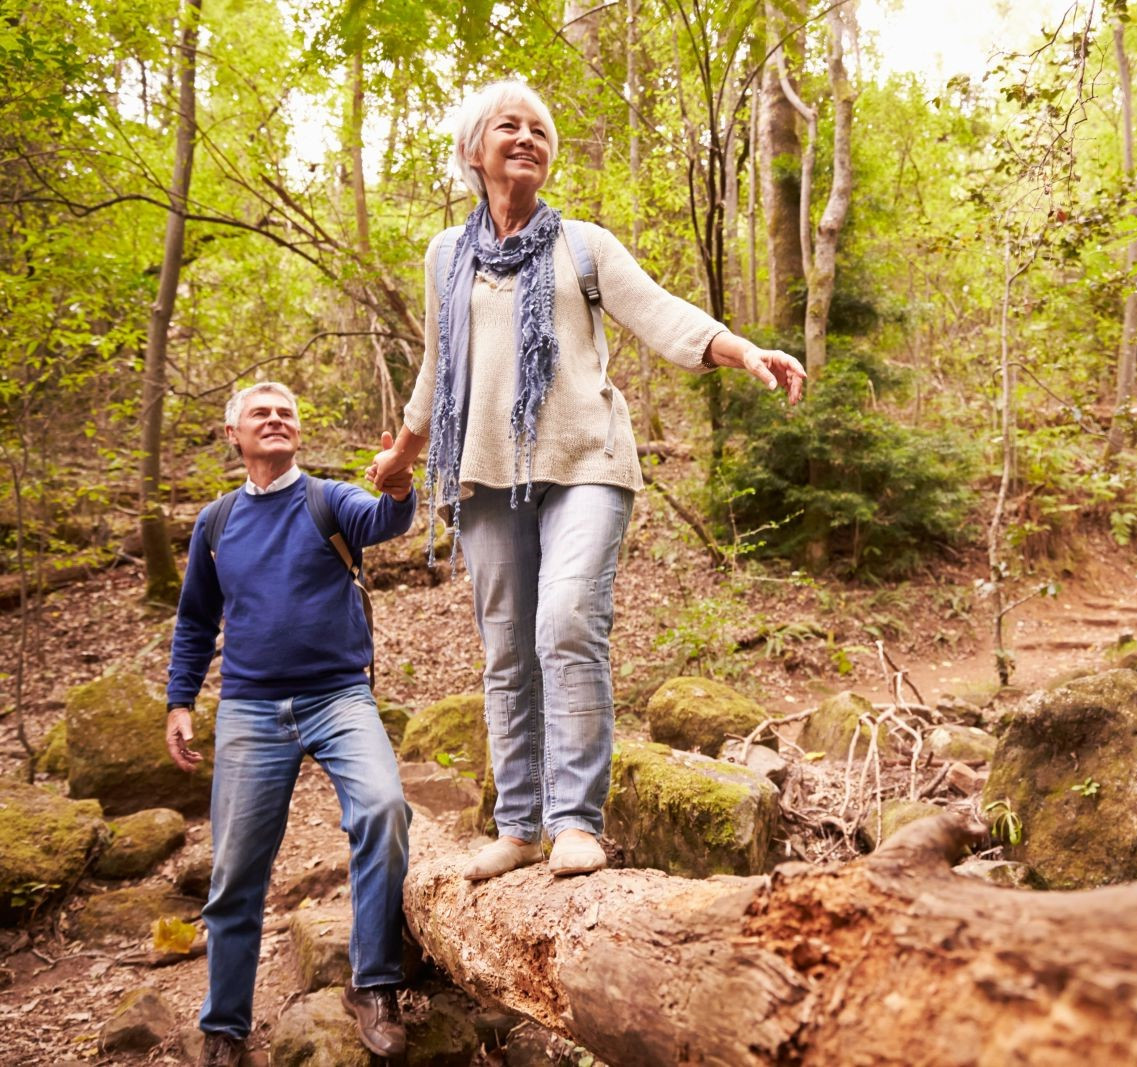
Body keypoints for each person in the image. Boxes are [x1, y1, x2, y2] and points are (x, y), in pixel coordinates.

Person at [367, 80, 806, 882]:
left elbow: (661, 314)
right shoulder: (444, 257)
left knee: (567, 619)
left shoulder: (583, 246)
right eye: (510, 126)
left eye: (541, 127)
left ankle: (575, 821)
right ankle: (519, 825)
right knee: (506, 649)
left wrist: (745, 351)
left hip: (586, 463)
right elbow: (441, 366)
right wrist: (401, 452)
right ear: (474, 151)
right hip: (486, 472)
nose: (528, 137)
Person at [166, 382, 417, 1066]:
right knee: (236, 871)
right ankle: (224, 1026)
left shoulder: (327, 499)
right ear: (233, 435)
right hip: (249, 709)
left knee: (384, 809)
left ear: (298, 434)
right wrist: (180, 699)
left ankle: (374, 984)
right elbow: (195, 619)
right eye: (261, 413)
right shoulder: (215, 524)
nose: (275, 420)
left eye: (286, 414)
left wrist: (397, 482)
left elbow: (387, 520)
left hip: (339, 697)